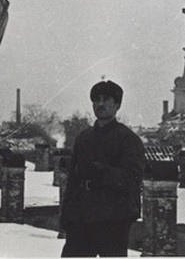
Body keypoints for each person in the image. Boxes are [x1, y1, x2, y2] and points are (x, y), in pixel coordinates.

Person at [60, 80, 145, 257]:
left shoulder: (128, 139)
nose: (100, 104)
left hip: (114, 219)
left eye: (106, 99)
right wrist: (66, 214)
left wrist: (101, 172)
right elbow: (73, 181)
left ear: (117, 105)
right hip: (82, 216)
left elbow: (133, 179)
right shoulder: (83, 138)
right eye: (96, 100)